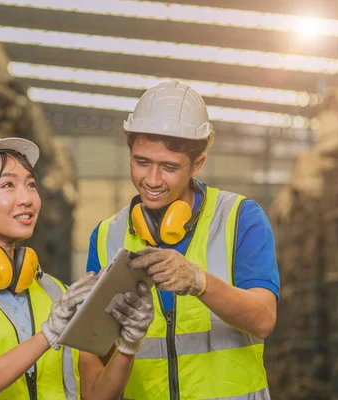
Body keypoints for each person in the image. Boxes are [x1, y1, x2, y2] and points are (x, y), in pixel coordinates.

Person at [0, 135, 155, 400]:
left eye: (31, 184)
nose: (27, 199)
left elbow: (97, 394)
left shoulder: (57, 292)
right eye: (8, 185)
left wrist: (127, 346)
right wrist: (46, 335)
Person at [86, 81, 279, 399]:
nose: (151, 180)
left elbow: (263, 319)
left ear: (197, 164)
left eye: (169, 167)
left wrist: (199, 281)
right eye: (141, 162)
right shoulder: (108, 235)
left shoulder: (239, 218)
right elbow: (95, 353)